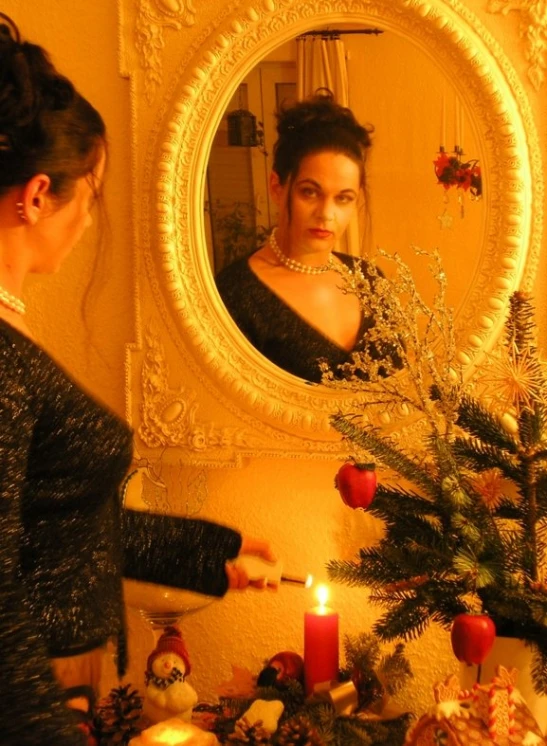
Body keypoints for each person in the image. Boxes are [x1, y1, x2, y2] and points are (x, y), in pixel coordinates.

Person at [0, 15, 275, 746]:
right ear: (34, 195)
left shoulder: (12, 329)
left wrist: (209, 554)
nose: (91, 216)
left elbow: (57, 521)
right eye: (88, 192)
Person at [216, 90, 398, 384]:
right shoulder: (235, 295)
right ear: (277, 187)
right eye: (310, 192)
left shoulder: (371, 281)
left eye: (343, 198)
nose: (326, 213)